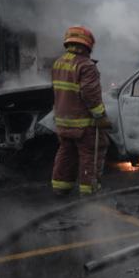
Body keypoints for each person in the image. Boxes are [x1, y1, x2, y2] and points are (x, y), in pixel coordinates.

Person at [50, 25, 109, 196]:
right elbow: (90, 94)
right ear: (87, 45)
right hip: (83, 124)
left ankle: (60, 189)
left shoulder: (58, 63)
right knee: (91, 155)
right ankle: (89, 193)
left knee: (66, 154)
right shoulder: (86, 65)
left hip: (62, 122)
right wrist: (101, 116)